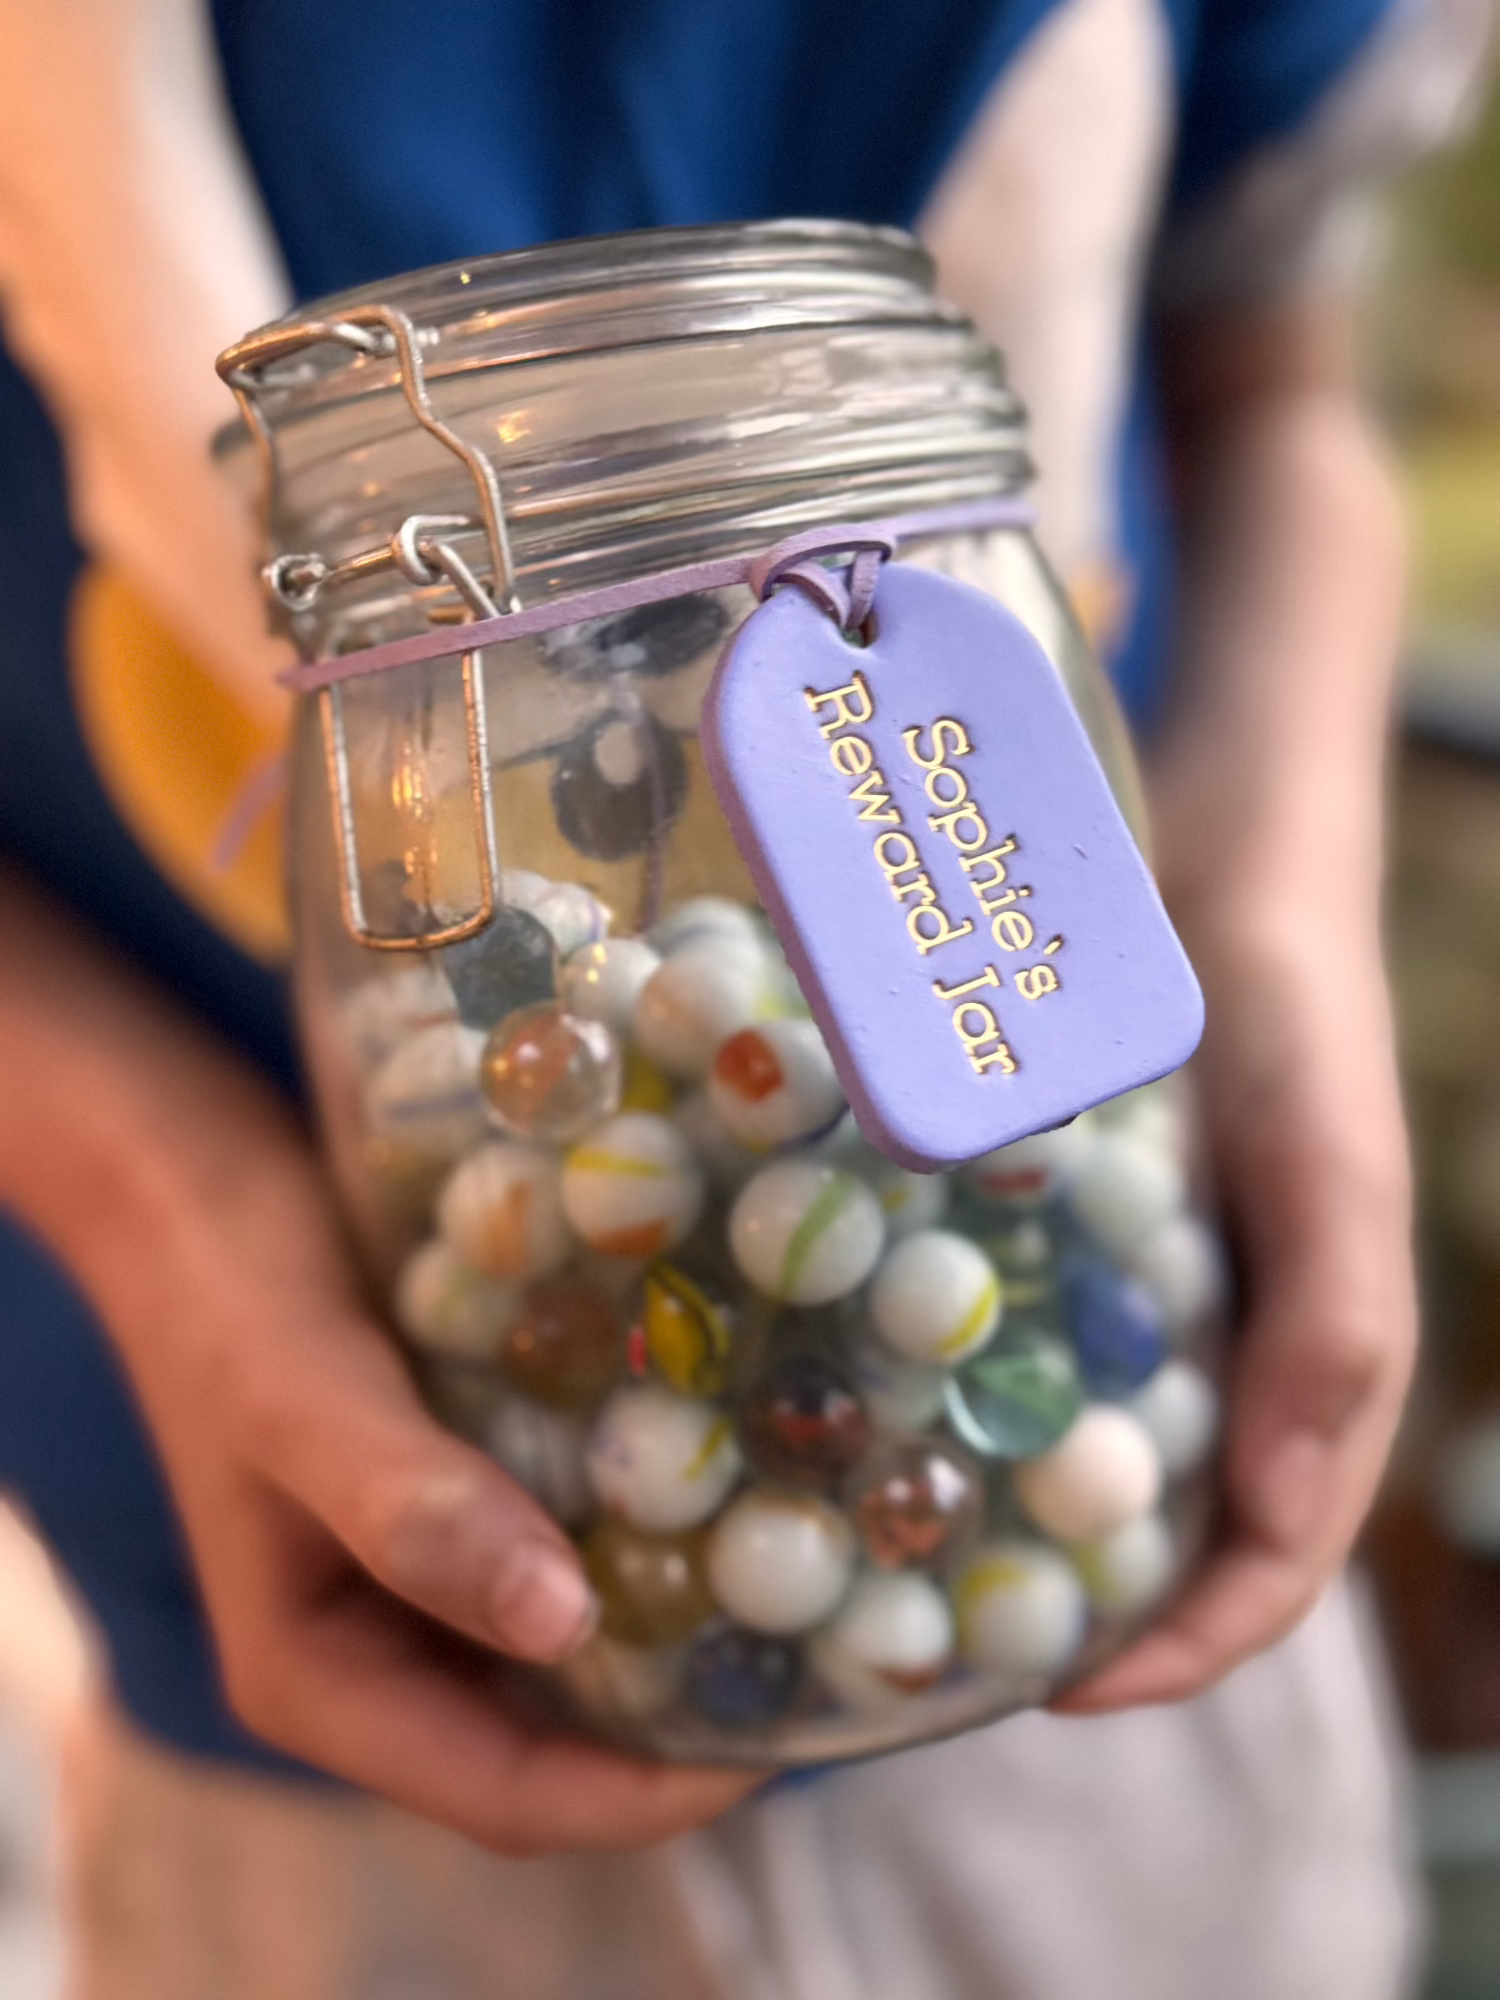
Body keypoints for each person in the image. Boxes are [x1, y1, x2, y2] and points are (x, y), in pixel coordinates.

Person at [0, 0, 1489, 1993]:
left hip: (1137, 1711)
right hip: (326, 1697)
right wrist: (158, 1208)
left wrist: (1271, 915)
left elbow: (1272, 364)